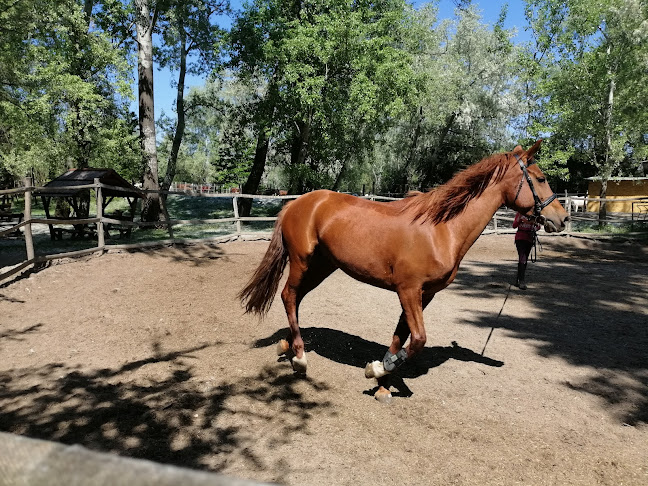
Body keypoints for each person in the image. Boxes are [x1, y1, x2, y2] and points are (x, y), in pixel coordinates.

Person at [512, 212, 540, 290]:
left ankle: (519, 279)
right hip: (520, 238)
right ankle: (521, 281)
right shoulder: (520, 214)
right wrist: (520, 220)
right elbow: (514, 225)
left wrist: (534, 225)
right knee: (522, 258)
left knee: (524, 258)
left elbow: (538, 226)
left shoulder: (534, 215)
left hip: (529, 238)